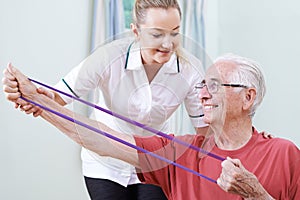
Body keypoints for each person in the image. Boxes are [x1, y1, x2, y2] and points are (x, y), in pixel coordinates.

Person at [3, 54, 299, 199]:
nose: (203, 94)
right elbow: (103, 138)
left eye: (215, 86)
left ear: (248, 97)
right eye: (202, 86)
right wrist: (41, 105)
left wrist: (257, 194)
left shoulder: (285, 154)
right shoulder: (180, 152)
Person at [5, 0, 208, 199]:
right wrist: (28, 95)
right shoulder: (108, 57)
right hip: (106, 163)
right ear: (136, 31)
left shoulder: (190, 70)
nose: (167, 43)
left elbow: (204, 132)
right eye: (157, 34)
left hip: (155, 161)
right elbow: (57, 97)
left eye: (174, 32)